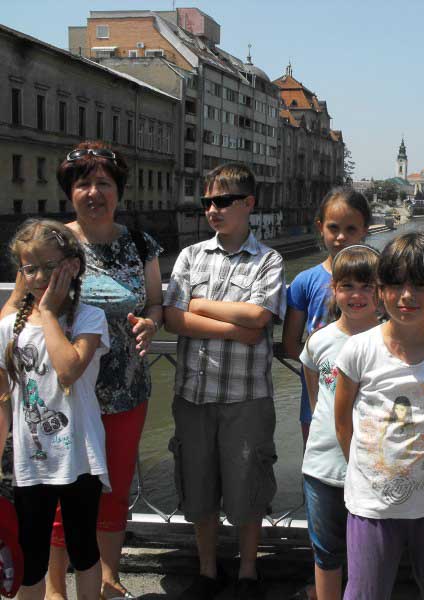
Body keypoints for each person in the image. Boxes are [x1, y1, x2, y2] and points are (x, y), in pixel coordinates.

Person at [0, 141, 163, 600]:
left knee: (111, 489)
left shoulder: (139, 244)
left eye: (104, 183)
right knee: (56, 491)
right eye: (83, 184)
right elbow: (16, 308)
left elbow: (156, 302)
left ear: (119, 190)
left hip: (125, 386)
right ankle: (56, 587)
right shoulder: (49, 244)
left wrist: (151, 322)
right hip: (54, 394)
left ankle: (107, 577)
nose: (94, 192)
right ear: (69, 192)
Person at [163, 163, 286, 600]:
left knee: (248, 488)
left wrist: (200, 304)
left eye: (223, 201)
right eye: (207, 202)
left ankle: (249, 572)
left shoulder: (268, 260)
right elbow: (173, 318)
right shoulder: (190, 256)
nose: (212, 209)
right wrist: (236, 330)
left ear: (248, 203)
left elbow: (259, 315)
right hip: (192, 396)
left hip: (246, 398)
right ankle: (208, 571)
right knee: (198, 488)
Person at [334, 232, 424, 599]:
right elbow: (343, 422)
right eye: (396, 284)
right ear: (381, 290)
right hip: (371, 504)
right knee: (365, 591)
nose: (407, 295)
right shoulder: (358, 350)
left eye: (420, 285)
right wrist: (368, 471)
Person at [0, 219, 110, 600]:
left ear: (72, 266)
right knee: (31, 555)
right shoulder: (9, 328)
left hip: (80, 457)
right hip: (30, 462)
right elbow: (3, 401)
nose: (39, 277)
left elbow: (67, 370)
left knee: (83, 547)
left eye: (49, 267)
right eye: (30, 268)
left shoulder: (90, 318)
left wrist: (47, 312)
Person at [300, 244, 380, 600]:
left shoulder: (391, 341)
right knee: (326, 552)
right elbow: (316, 397)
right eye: (347, 286)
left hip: (375, 468)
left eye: (367, 286)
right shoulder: (320, 340)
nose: (357, 295)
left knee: (371, 555)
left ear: (381, 291)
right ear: (334, 289)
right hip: (324, 466)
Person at [283, 187, 371, 444]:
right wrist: (324, 367)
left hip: (368, 396)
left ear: (365, 230)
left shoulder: (381, 280)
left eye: (351, 229)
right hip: (319, 396)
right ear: (320, 227)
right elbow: (291, 343)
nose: (341, 237)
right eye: (334, 228)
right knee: (318, 457)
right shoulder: (305, 281)